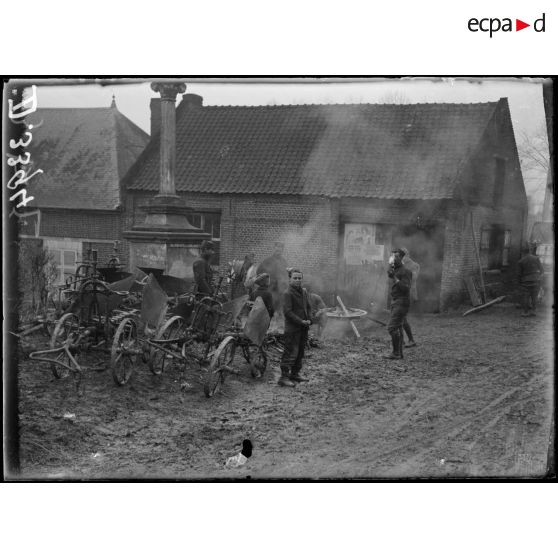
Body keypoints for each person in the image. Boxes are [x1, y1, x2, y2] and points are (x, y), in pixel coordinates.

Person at [279, 268, 313, 387]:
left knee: (300, 352)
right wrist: (301, 321)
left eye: (299, 278)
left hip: (303, 328)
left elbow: (308, 307)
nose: (298, 280)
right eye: (295, 278)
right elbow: (288, 312)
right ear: (290, 279)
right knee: (290, 353)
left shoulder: (304, 292)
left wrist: (309, 318)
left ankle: (295, 374)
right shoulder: (287, 293)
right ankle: (283, 378)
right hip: (292, 329)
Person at [383, 248, 412, 360]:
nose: (393, 259)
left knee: (392, 327)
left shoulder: (406, 271)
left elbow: (406, 288)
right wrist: (392, 274)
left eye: (396, 256)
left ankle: (396, 353)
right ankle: (399, 353)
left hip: (402, 301)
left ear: (401, 258)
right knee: (398, 327)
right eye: (393, 256)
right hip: (396, 301)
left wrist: (394, 278)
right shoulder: (397, 270)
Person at [257, 242, 289, 312]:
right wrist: (265, 283)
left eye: (280, 249)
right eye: (277, 249)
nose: (279, 251)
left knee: (279, 307)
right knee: (268, 307)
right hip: (269, 288)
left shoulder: (284, 262)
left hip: (280, 289)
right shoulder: (267, 261)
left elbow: (286, 274)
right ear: (274, 249)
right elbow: (259, 272)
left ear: (282, 250)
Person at [518, 242, 544, 317]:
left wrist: (519, 282)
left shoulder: (521, 261)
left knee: (525, 297)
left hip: (525, 282)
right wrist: (538, 277)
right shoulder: (536, 258)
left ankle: (525, 313)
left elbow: (519, 274)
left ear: (523, 252)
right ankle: (534, 311)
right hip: (536, 281)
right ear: (530, 251)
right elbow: (542, 271)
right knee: (534, 297)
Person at [400, 247, 419, 348]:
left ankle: (411, 340)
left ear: (407, 255)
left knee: (401, 318)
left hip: (408, 293)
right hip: (399, 293)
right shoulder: (400, 265)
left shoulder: (414, 265)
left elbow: (413, 279)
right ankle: (402, 340)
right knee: (399, 318)